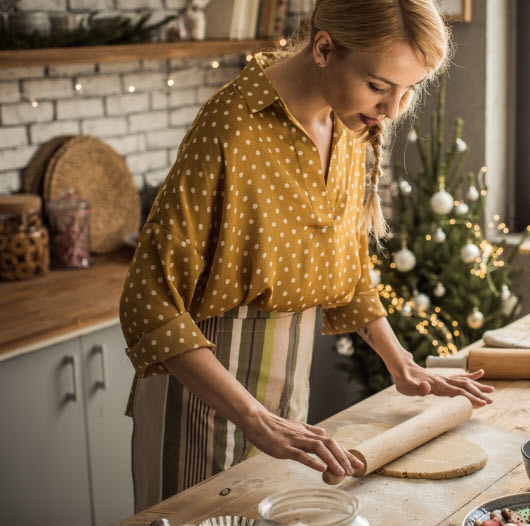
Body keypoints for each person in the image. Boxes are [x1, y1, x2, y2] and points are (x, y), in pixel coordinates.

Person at [119, 0, 494, 511]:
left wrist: (400, 363)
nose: (392, 110)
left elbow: (346, 264)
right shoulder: (232, 126)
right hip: (204, 403)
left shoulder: (348, 125)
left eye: (408, 91)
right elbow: (150, 303)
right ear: (323, 48)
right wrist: (255, 418)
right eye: (381, 86)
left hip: (285, 399)